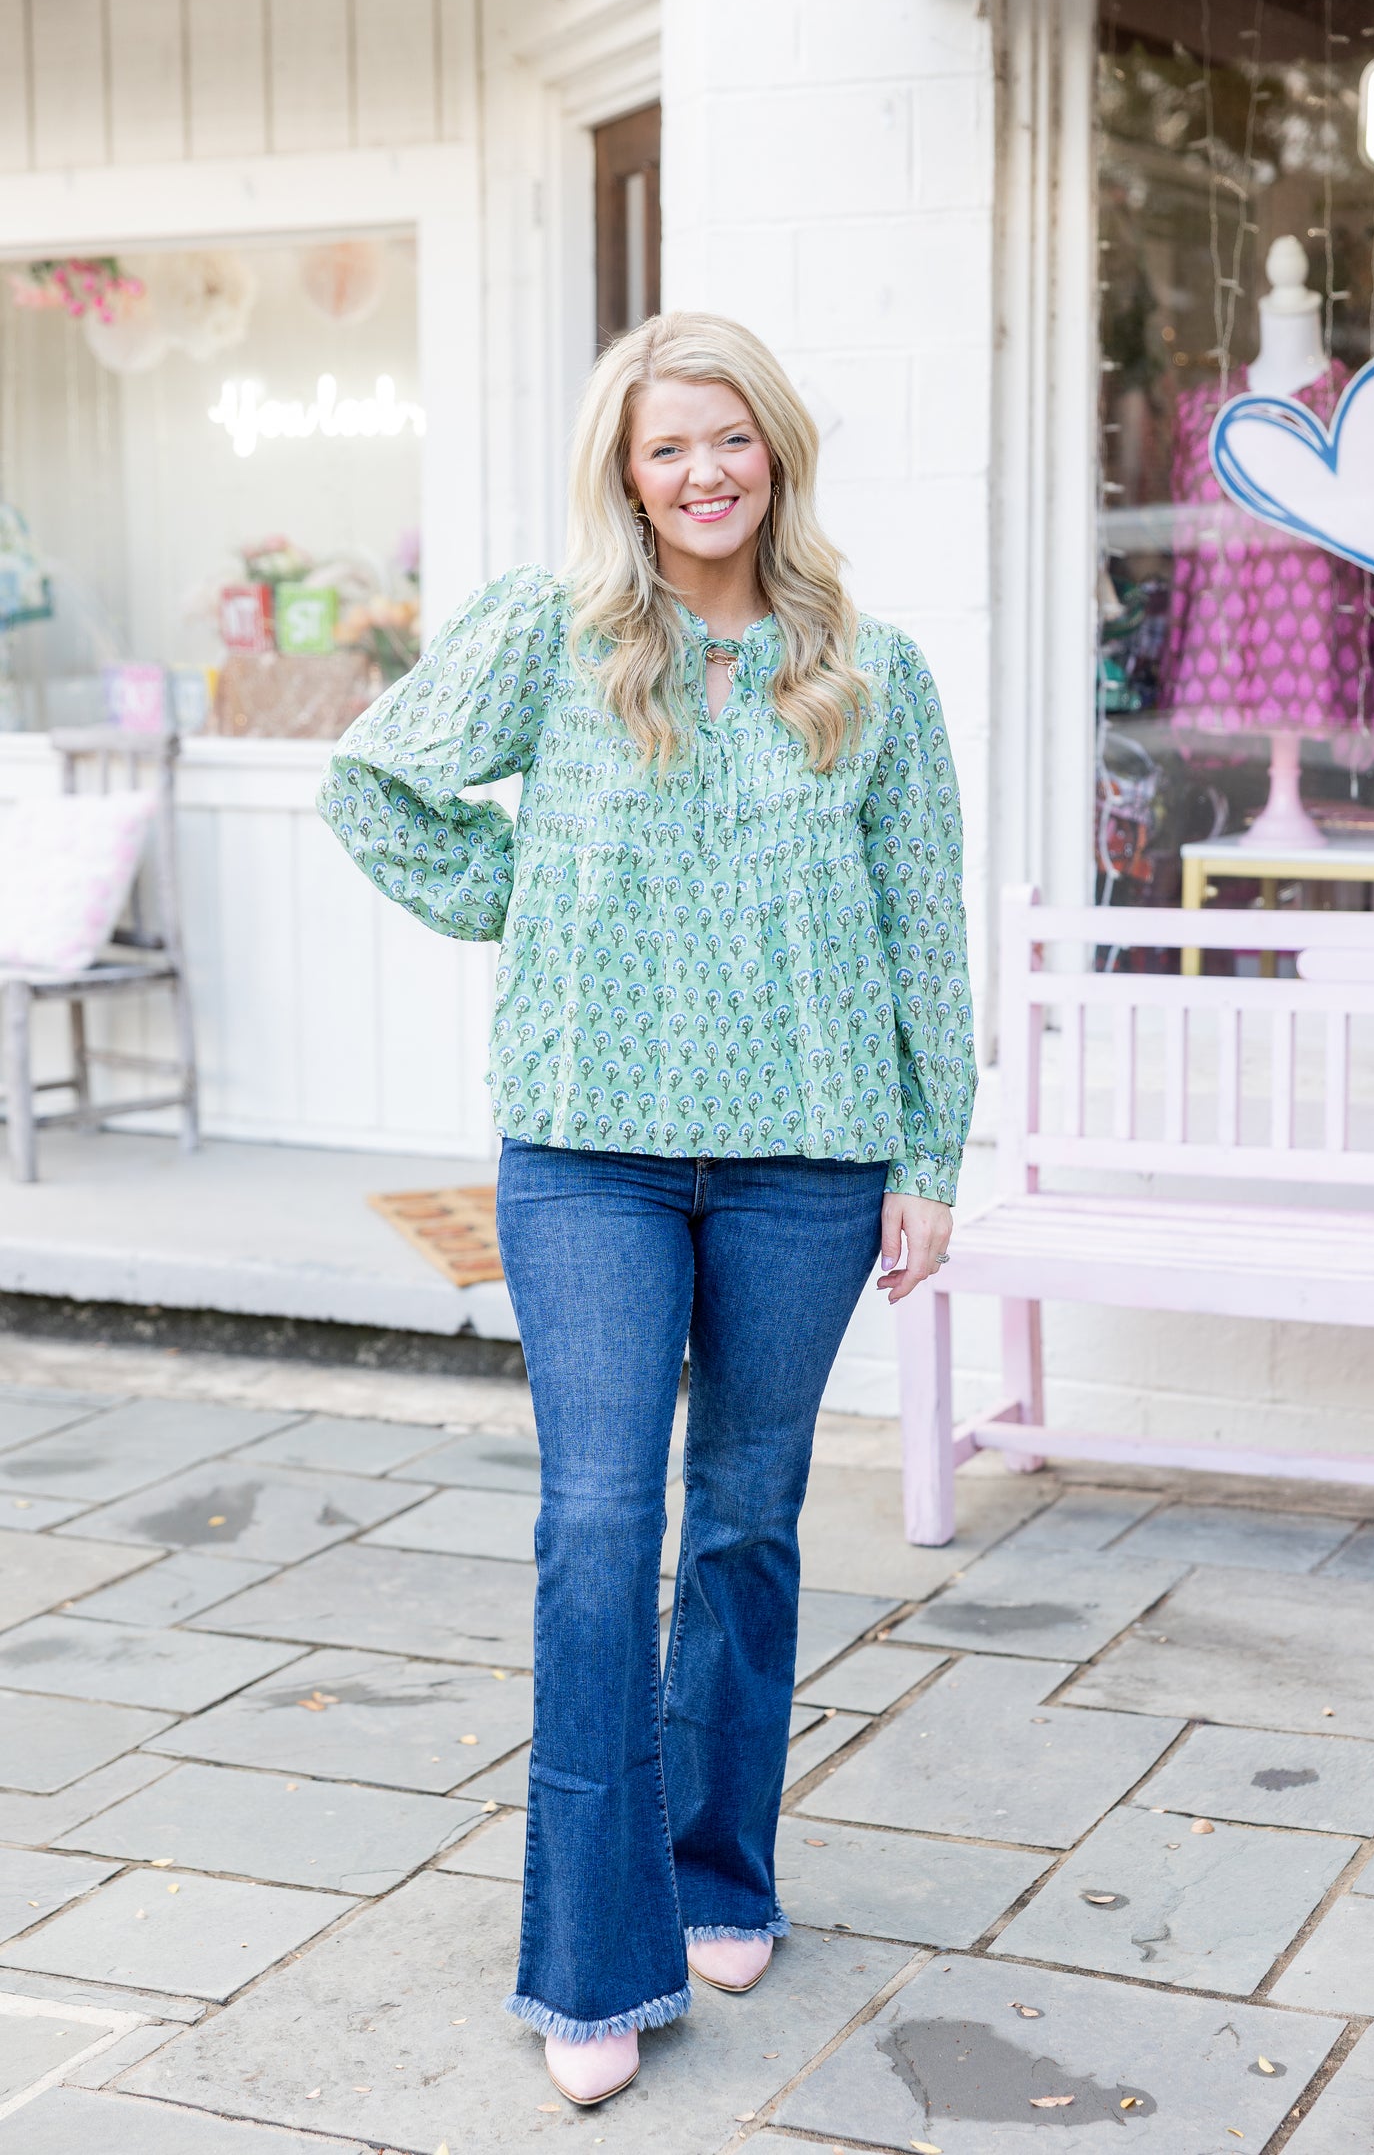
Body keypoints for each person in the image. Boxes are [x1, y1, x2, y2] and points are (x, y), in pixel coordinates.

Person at [318, 310, 975, 2108]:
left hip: (808, 1160)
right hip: (589, 1152)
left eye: (731, 440)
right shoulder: (553, 633)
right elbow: (368, 786)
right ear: (626, 467)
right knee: (598, 1535)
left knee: (747, 1528)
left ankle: (717, 1873)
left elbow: (923, 924)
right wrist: (520, 896)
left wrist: (930, 1160)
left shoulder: (871, 667)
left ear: (777, 453)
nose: (704, 473)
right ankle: (590, 1965)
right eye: (667, 445)